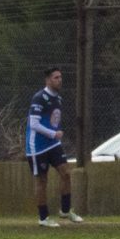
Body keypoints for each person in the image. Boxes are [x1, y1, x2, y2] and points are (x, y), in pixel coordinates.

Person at [25, 67, 83, 227]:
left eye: (60, 77)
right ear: (48, 80)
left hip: (53, 144)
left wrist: (54, 134)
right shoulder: (39, 98)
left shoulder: (58, 98)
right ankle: (43, 218)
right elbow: (34, 124)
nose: (59, 80)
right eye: (56, 77)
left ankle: (65, 210)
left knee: (66, 173)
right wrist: (53, 133)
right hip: (37, 146)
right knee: (42, 181)